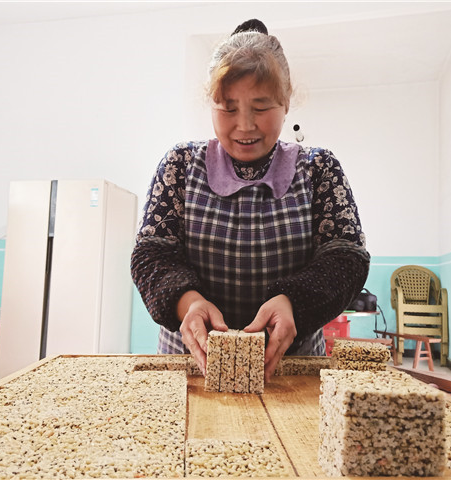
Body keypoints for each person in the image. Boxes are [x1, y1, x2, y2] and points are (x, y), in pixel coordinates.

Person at [131, 19, 370, 380]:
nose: (244, 125)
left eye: (260, 107)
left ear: (286, 102)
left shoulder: (318, 169)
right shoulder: (180, 165)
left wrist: (293, 302)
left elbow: (346, 259)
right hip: (190, 367)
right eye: (228, 108)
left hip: (289, 369)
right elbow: (151, 255)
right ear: (211, 104)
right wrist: (189, 303)